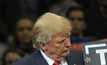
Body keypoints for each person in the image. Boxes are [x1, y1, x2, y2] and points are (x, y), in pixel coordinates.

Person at [13, 12, 84, 65]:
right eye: (61, 41)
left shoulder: (82, 57)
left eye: (68, 37)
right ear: (43, 45)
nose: (68, 44)